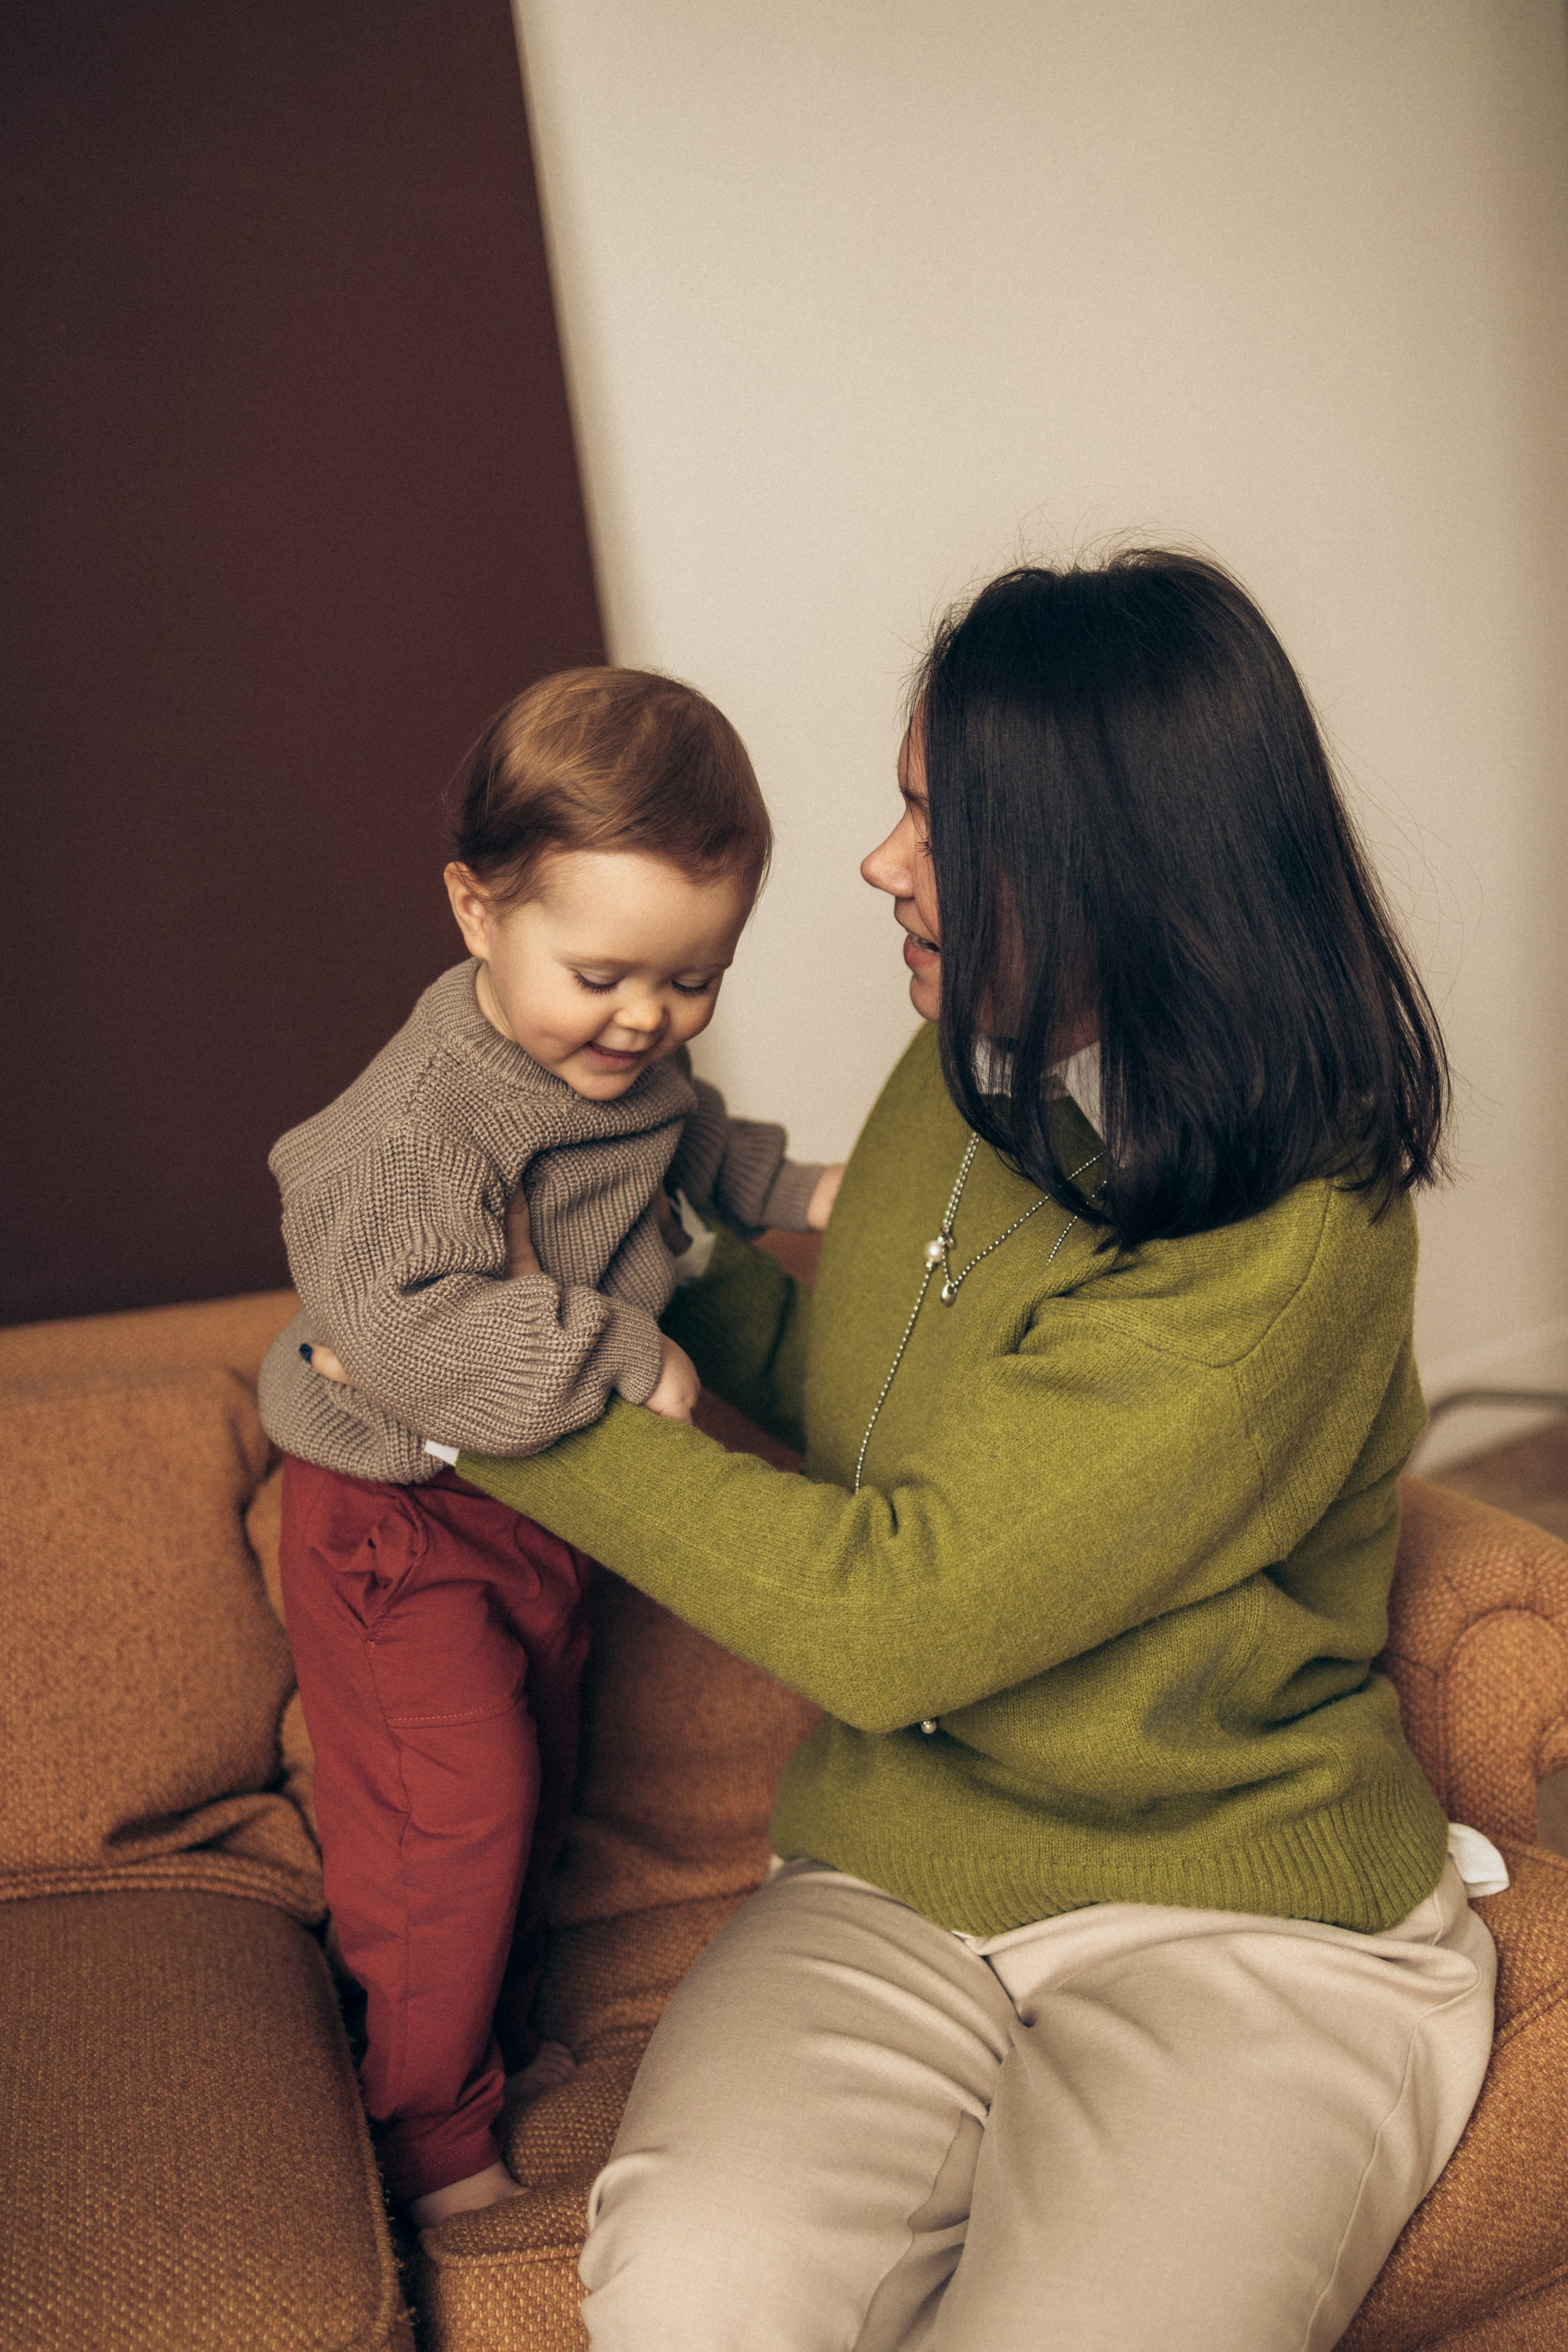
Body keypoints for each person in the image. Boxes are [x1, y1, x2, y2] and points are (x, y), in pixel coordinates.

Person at [318, 555, 1499, 2348]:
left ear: (1114, 867)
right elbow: (856, 1392)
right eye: (901, 806)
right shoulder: (967, 1063)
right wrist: (585, 1264)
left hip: (1237, 1911)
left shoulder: (1291, 1247)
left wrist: (467, 1388)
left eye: (939, 826)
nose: (880, 865)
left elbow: (894, 1619)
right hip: (894, 1869)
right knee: (692, 2303)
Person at [259, 666, 840, 2229]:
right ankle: (427, 2137)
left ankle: (488, 2041)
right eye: (602, 976)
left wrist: (792, 1194)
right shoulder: (414, 1134)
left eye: (694, 977)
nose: (645, 1018)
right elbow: (394, 1330)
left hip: (538, 1511)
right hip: (399, 1519)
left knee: (538, 1784)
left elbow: (676, 1130)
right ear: (476, 911)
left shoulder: (614, 1061)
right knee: (452, 1817)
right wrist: (620, 1351)